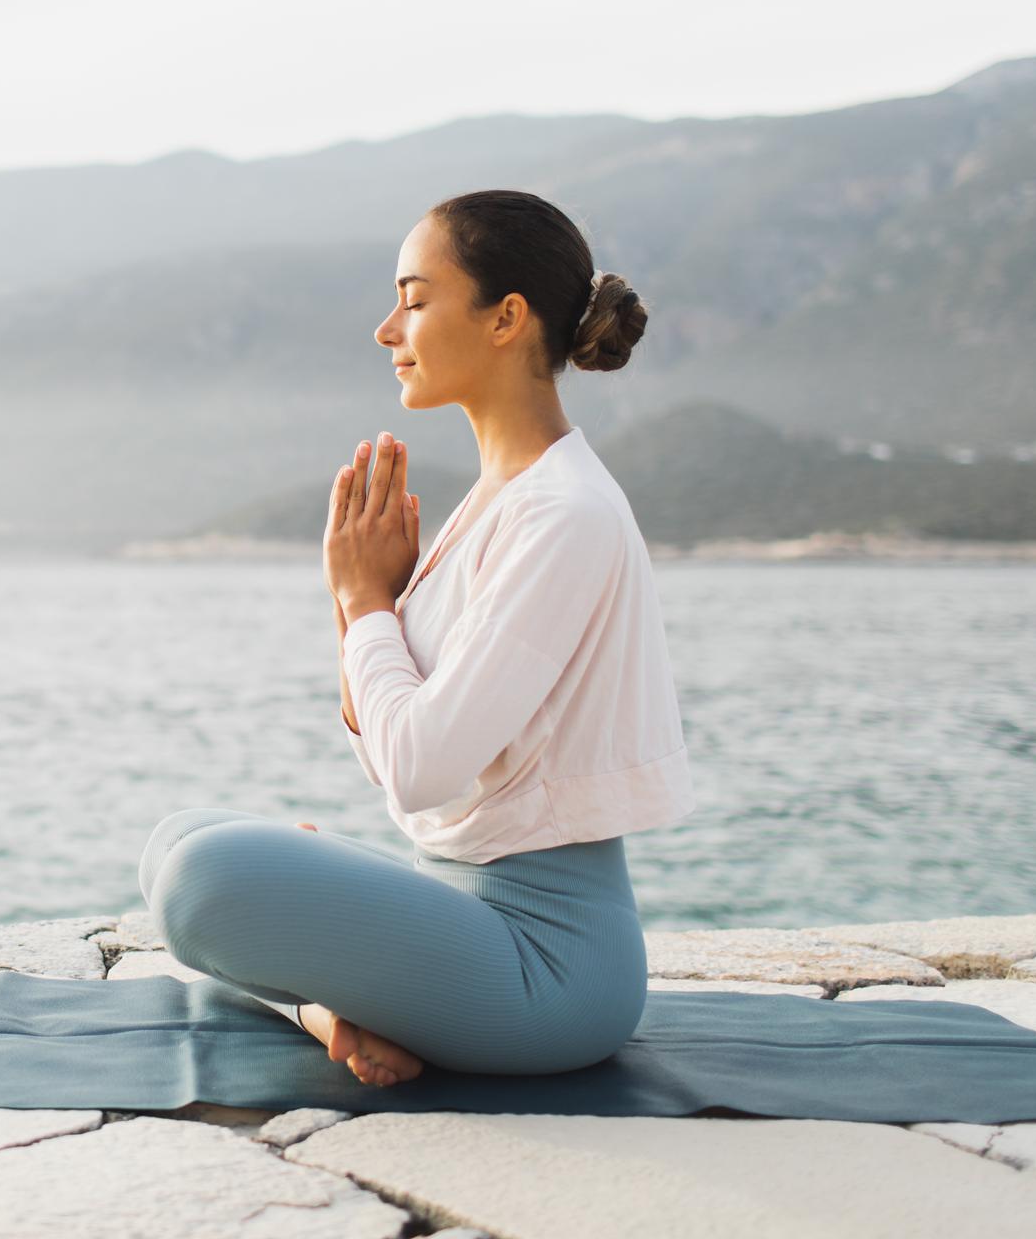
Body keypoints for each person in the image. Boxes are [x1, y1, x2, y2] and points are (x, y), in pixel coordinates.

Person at [137, 189, 697, 1088]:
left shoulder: (566, 515)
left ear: (506, 318)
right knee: (178, 839)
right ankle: (331, 1007)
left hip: (548, 971)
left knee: (206, 878)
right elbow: (393, 750)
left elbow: (420, 766)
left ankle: (322, 1003)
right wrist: (360, 604)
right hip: (456, 899)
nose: (387, 328)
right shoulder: (498, 503)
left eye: (416, 297)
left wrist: (366, 603)